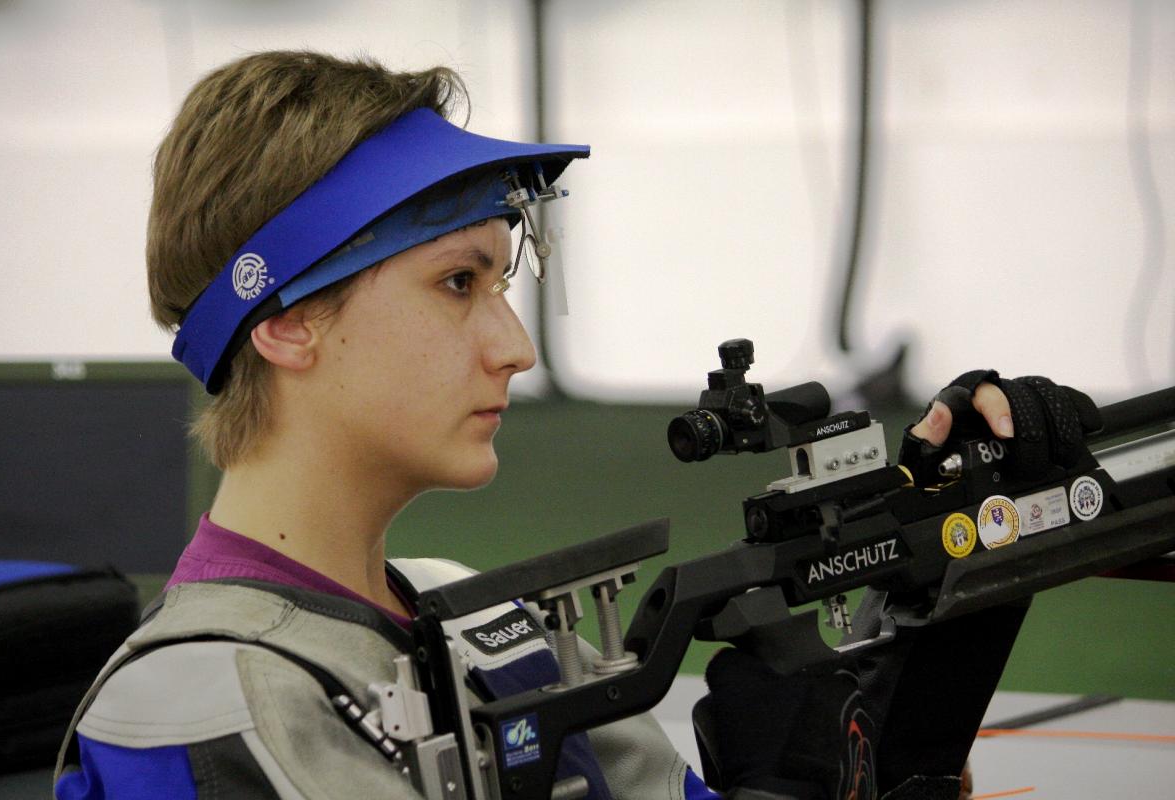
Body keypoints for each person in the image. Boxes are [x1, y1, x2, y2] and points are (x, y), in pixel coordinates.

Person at [53, 50, 1098, 800]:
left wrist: (918, 662)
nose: (515, 345)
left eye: (500, 282)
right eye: (457, 283)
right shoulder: (193, 711)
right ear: (286, 326)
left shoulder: (474, 616)